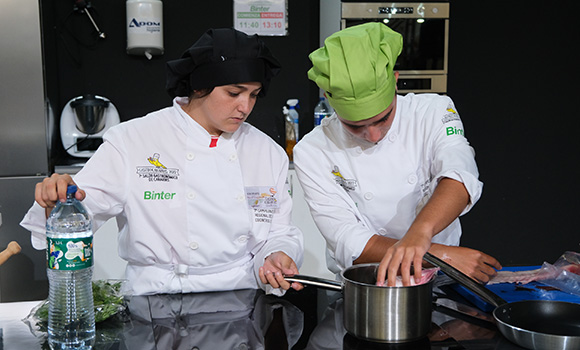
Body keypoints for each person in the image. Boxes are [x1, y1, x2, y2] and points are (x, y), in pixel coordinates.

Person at [20, 28, 303, 295]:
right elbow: (74, 217)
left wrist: (278, 253)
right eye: (234, 93)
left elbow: (279, 231)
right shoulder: (133, 140)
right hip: (157, 297)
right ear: (200, 86)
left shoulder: (266, 152)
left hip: (240, 295)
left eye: (253, 95)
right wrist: (56, 197)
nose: (245, 107)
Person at [293, 22, 501, 287]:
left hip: (440, 282)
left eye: (383, 118)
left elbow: (459, 175)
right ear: (327, 97)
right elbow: (346, 238)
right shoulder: (313, 150)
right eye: (355, 126)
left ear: (394, 80)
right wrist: (438, 255)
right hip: (366, 288)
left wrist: (420, 234)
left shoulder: (433, 112)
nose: (373, 135)